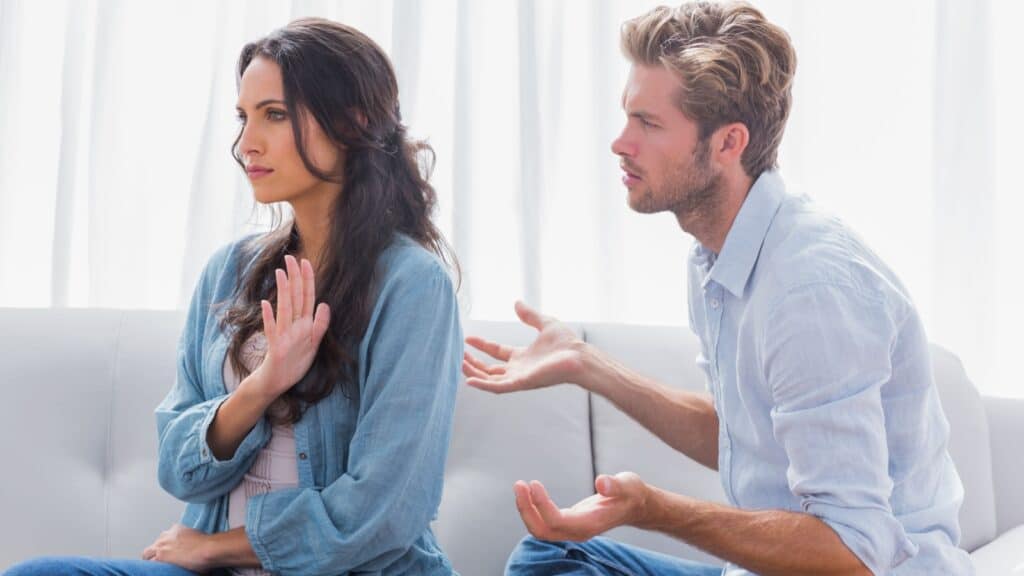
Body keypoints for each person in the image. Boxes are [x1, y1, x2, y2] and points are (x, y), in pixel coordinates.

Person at [461, 2, 974, 575]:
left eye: (648, 124)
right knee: (548, 558)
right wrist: (587, 364)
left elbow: (854, 553)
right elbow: (740, 437)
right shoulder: (717, 257)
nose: (620, 143)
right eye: (627, 116)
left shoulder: (810, 288)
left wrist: (654, 509)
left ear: (729, 143)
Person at [6, 18, 462, 576]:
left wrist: (214, 548)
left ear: (353, 121)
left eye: (274, 114)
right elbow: (178, 466)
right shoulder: (230, 272)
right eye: (243, 117)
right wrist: (264, 384)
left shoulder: (412, 286)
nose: (246, 143)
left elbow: (385, 508)